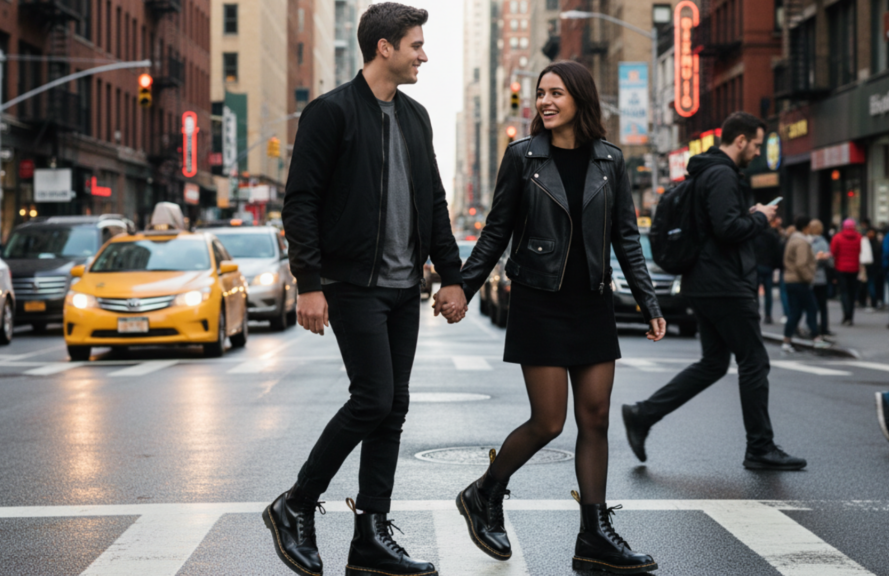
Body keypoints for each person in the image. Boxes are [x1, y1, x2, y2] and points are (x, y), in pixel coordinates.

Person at [267, 5, 464, 575]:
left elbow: (433, 203)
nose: (423, 55)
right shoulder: (330, 114)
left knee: (393, 408)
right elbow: (300, 201)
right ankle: (296, 503)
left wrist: (451, 275)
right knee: (373, 399)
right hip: (352, 284)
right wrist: (308, 284)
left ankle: (370, 537)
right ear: (384, 47)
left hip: (405, 287)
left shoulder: (416, 117)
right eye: (416, 45)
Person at [451, 61, 665, 575]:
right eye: (540, 94)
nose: (544, 102)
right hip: (539, 299)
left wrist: (648, 300)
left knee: (594, 418)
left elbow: (626, 239)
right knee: (549, 421)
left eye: (556, 93)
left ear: (580, 100)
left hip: (591, 301)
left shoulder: (611, 162)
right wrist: (462, 285)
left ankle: (594, 536)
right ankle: (485, 493)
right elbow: (496, 232)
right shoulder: (523, 157)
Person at [622, 112, 808, 472]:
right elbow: (726, 229)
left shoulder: (706, 172)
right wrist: (759, 218)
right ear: (740, 140)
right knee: (754, 361)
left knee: (712, 363)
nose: (757, 151)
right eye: (755, 144)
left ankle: (643, 415)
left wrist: (747, 214)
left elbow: (717, 224)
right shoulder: (722, 174)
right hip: (724, 284)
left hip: (704, 282)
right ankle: (760, 447)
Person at [782, 216, 831, 353]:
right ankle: (816, 338)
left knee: (795, 312)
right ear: (805, 227)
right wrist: (809, 278)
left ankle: (787, 342)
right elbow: (801, 264)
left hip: (791, 279)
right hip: (799, 281)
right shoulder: (801, 242)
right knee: (812, 308)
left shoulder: (793, 239)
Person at [831, 219, 863, 326]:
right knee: (852, 293)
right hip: (855, 268)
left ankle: (846, 315)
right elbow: (861, 252)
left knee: (844, 292)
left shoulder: (837, 237)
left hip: (841, 268)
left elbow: (833, 252)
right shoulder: (859, 237)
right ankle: (851, 317)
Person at [808, 219, 834, 337]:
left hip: (808, 276)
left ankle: (812, 327)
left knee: (811, 305)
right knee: (822, 305)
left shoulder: (806, 241)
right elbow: (829, 262)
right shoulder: (823, 242)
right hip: (821, 277)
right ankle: (824, 327)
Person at [754, 216, 782, 324]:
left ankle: (756, 313)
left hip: (756, 266)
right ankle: (768, 315)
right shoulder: (772, 236)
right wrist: (775, 266)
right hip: (768, 267)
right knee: (768, 293)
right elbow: (777, 252)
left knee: (754, 292)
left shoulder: (754, 235)